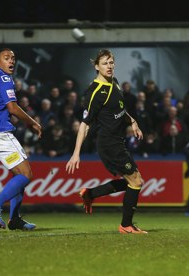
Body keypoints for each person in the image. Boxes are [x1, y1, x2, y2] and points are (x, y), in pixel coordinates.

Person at [66, 49, 147, 234]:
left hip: (118, 141)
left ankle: (90, 194)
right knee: (135, 182)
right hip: (108, 143)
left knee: (135, 180)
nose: (109, 66)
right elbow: (85, 124)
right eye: (104, 63)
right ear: (96, 67)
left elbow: (119, 109)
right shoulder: (94, 92)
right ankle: (126, 225)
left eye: (111, 62)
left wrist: (132, 121)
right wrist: (76, 152)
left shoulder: (115, 83)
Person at [0, 48, 42, 230]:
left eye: (13, 58)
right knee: (26, 174)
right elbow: (12, 108)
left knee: (18, 175)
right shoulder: (5, 78)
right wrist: (33, 123)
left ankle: (14, 219)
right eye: (6, 58)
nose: (11, 61)